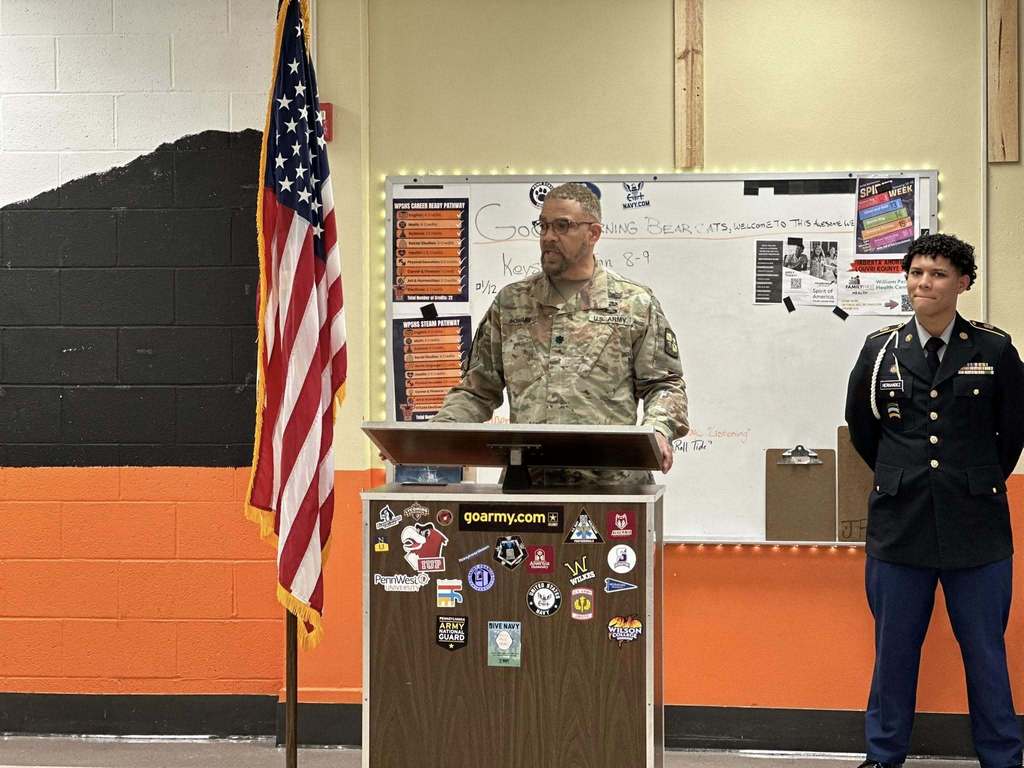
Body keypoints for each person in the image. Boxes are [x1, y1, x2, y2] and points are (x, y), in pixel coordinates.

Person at [845, 233, 1024, 768]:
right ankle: (883, 755)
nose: (924, 283)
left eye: (939, 274)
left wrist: (972, 477)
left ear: (963, 283)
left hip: (977, 524)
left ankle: (1001, 756)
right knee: (894, 652)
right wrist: (902, 474)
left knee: (986, 653)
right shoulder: (881, 349)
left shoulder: (993, 349)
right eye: (917, 272)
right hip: (901, 523)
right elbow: (862, 427)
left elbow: (1011, 432)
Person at [432, 182, 689, 485]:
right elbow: (477, 388)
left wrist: (659, 428)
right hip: (528, 486)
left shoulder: (633, 304)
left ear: (593, 234)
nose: (549, 237)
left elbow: (665, 385)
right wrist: (432, 435)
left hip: (612, 489)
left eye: (562, 226)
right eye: (543, 226)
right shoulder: (512, 303)